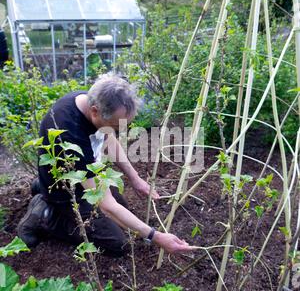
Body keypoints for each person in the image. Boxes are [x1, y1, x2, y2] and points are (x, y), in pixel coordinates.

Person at [17, 74, 194, 257]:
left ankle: (42, 186)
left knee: (122, 211)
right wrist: (155, 236)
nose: (119, 130)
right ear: (95, 111)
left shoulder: (93, 101)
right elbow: (107, 205)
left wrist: (135, 178)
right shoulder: (70, 134)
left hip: (81, 174)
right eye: (116, 125)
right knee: (117, 243)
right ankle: (46, 215)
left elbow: (108, 138)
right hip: (68, 189)